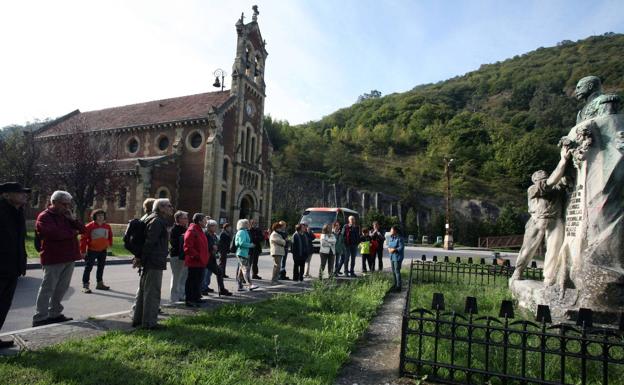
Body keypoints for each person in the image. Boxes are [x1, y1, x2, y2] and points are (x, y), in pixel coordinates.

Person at [511, 145, 571, 284]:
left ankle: (549, 278)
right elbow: (550, 183)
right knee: (528, 249)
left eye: (544, 178)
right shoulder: (533, 189)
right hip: (538, 220)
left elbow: (562, 181)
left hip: (555, 220)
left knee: (554, 251)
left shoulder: (556, 187)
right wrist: (563, 160)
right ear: (536, 181)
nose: (542, 181)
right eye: (540, 180)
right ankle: (518, 271)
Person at [33, 190, 85, 327]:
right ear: (54, 202)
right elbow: (53, 234)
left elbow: (83, 229)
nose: (67, 207)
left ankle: (55, 313)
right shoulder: (44, 216)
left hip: (69, 256)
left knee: (62, 287)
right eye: (64, 204)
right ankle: (40, 317)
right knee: (48, 287)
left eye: (69, 204)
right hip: (53, 257)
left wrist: (72, 219)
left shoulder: (66, 216)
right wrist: (72, 232)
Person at [132, 198, 172, 329]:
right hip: (153, 261)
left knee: (145, 291)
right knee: (152, 292)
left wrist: (140, 258)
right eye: (168, 206)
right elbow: (150, 242)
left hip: (150, 260)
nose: (171, 208)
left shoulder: (150, 218)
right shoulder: (157, 221)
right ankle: (149, 323)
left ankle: (138, 319)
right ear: (161, 208)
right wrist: (140, 258)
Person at [0, 182, 29, 348]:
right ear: (6, 195)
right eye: (19, 193)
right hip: (2, 265)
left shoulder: (18, 212)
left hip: (12, 267)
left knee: (4, 304)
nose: (24, 195)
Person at [80, 209, 113, 293]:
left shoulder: (107, 226)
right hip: (92, 250)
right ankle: (85, 286)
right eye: (98, 215)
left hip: (103, 250)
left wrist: (109, 245)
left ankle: (100, 284)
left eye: (102, 215)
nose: (100, 217)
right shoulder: (89, 226)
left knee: (101, 267)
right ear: (94, 217)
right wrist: (83, 251)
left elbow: (110, 236)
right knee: (88, 268)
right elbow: (83, 239)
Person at [184, 213, 210, 307]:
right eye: (204, 220)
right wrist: (198, 256)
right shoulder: (192, 231)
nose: (206, 222)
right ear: (199, 222)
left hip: (201, 262)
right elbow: (188, 248)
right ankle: (190, 299)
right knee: (192, 281)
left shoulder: (200, 230)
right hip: (195, 261)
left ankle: (196, 297)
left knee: (198, 281)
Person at [205, 219, 232, 296]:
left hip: (212, 258)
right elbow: (205, 245)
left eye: (215, 226)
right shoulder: (206, 234)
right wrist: (212, 247)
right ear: (209, 227)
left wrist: (216, 248)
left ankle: (222, 289)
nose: (215, 228)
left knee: (219, 272)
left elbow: (218, 243)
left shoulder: (214, 235)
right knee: (203, 275)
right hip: (206, 258)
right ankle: (202, 289)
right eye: (213, 226)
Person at [169, 210, 188, 303]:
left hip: (185, 256)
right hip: (177, 256)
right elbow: (174, 243)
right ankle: (174, 298)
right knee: (176, 277)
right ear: (178, 219)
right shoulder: (175, 229)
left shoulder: (185, 229)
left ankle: (181, 295)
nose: (186, 220)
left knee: (183, 277)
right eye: (184, 218)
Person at [235, 219, 258, 291]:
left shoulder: (243, 231)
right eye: (247, 223)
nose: (249, 225)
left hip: (243, 253)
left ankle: (240, 286)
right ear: (244, 224)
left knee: (241, 271)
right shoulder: (242, 232)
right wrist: (251, 245)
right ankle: (250, 285)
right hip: (242, 253)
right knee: (246, 269)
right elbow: (241, 243)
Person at [387, 226, 405, 292]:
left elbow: (401, 247)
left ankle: (398, 287)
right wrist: (389, 248)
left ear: (395, 231)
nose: (390, 231)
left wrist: (394, 250)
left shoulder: (400, 238)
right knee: (393, 271)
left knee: (397, 271)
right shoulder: (391, 237)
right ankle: (395, 284)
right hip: (392, 256)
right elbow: (389, 245)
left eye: (391, 230)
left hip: (398, 257)